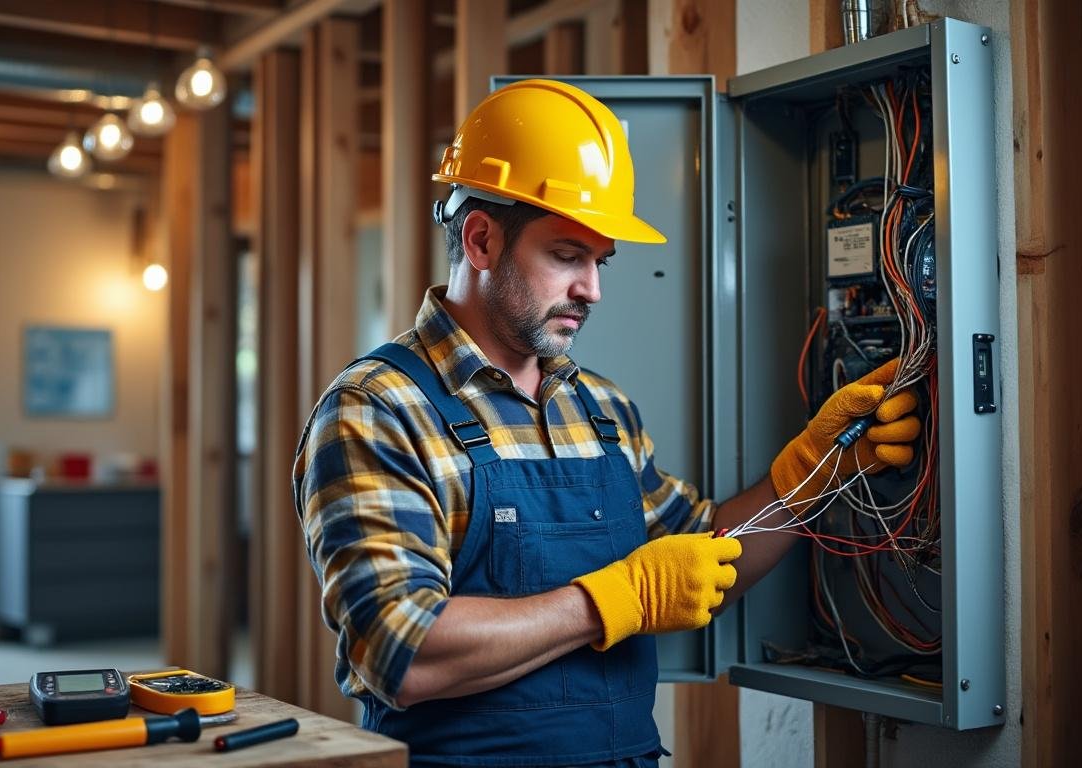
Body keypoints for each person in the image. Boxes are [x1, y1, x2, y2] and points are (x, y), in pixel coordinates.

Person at [293, 79, 920, 767]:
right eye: (567, 255)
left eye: (599, 261)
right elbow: (400, 650)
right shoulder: (377, 408)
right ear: (481, 239)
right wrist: (613, 599)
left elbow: (699, 558)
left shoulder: (601, 409)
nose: (592, 289)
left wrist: (813, 472)